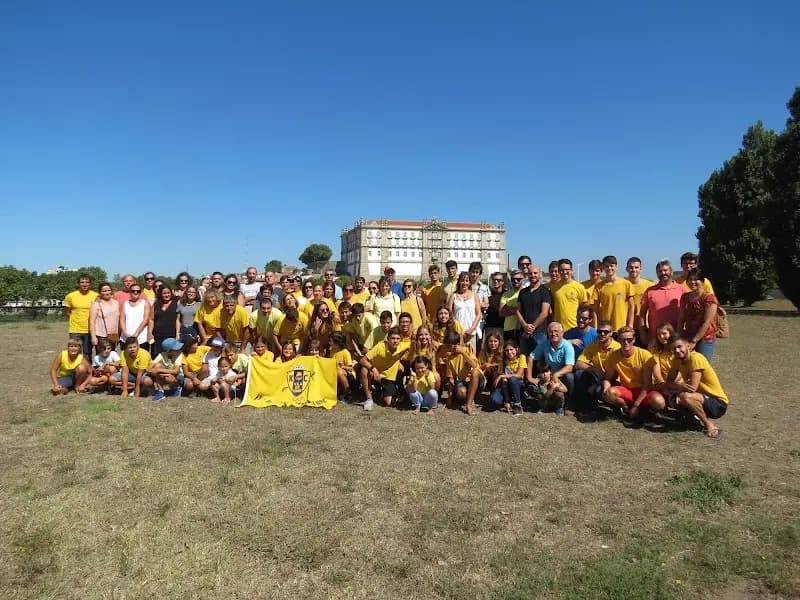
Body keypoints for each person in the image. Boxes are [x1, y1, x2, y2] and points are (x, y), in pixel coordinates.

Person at [665, 336, 729, 439]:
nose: (677, 350)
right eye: (673, 349)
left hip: (718, 403)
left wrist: (678, 388)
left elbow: (692, 388)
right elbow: (668, 382)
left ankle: (709, 425)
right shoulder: (676, 360)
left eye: (679, 346)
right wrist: (678, 388)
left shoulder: (696, 358)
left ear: (688, 346)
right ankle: (691, 420)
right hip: (700, 397)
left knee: (685, 396)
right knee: (672, 396)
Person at [602, 326, 663, 421]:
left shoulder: (645, 355)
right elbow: (607, 378)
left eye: (629, 340)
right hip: (627, 390)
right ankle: (626, 409)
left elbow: (647, 385)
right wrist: (605, 390)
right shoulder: (613, 356)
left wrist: (636, 406)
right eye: (622, 340)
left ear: (634, 340)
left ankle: (644, 410)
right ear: (618, 340)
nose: (626, 343)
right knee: (609, 393)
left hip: (643, 390)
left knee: (659, 402)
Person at [573, 320, 621, 414]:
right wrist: (593, 369)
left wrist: (599, 383)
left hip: (613, 380)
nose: (602, 334)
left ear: (611, 333)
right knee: (579, 374)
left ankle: (615, 407)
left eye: (606, 332)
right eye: (599, 331)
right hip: (599, 377)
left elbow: (615, 373)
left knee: (598, 390)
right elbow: (578, 364)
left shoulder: (617, 348)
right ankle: (585, 406)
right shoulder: (593, 345)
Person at [359, 327, 410, 410]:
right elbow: (362, 360)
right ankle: (369, 399)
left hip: (388, 375)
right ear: (388, 339)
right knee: (364, 369)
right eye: (393, 338)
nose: (395, 341)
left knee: (388, 403)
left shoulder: (403, 346)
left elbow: (416, 343)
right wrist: (374, 369)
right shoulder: (380, 346)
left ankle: (383, 392)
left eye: (398, 338)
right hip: (375, 373)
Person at [531, 322, 575, 416]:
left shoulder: (568, 346)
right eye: (550, 332)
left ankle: (569, 404)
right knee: (542, 392)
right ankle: (545, 406)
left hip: (561, 376)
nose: (553, 334)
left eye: (556, 331)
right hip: (547, 375)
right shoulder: (545, 344)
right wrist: (529, 377)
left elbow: (570, 367)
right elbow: (531, 357)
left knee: (570, 377)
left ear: (562, 333)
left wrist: (556, 375)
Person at [437, 329, 483, 415]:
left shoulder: (467, 350)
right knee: (461, 393)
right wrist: (449, 397)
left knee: (475, 372)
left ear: (456, 345)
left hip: (477, 379)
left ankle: (468, 404)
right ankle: (469, 397)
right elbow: (451, 379)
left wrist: (463, 353)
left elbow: (474, 366)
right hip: (463, 381)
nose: (447, 348)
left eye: (448, 346)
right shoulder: (449, 358)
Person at [639, 259, 684, 346]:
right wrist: (642, 332)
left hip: (675, 337)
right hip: (655, 338)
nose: (663, 273)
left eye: (665, 270)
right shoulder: (650, 291)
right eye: (660, 271)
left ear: (671, 272)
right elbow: (642, 314)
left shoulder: (681, 289)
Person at [678, 269, 719, 361]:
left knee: (701, 365)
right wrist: (679, 336)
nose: (692, 282)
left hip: (704, 338)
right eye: (690, 279)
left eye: (696, 279)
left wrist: (694, 341)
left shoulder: (709, 298)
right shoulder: (685, 297)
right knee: (687, 366)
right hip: (688, 336)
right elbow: (681, 318)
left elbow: (707, 322)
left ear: (702, 281)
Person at [515, 264, 552, 356]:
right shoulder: (523, 292)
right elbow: (518, 311)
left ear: (540, 274)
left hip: (540, 332)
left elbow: (544, 313)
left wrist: (531, 328)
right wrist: (525, 326)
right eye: (530, 273)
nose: (533, 275)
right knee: (524, 359)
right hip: (524, 332)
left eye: (535, 273)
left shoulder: (545, 291)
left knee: (540, 361)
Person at [594, 256, 634, 331]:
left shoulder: (626, 284)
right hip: (605, 329)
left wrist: (630, 325)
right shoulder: (599, 286)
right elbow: (595, 309)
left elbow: (631, 306)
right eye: (606, 266)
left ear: (616, 267)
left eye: (611, 266)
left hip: (622, 328)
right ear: (603, 268)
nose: (609, 268)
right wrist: (596, 327)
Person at [64, 274, 99, 358]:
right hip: (75, 330)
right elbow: (68, 311)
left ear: (90, 284)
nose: (84, 284)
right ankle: (75, 370)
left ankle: (87, 370)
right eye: (82, 282)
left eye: (87, 282)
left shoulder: (96, 296)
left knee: (87, 353)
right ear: (78, 284)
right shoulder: (70, 296)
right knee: (74, 353)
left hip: (90, 330)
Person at [490, 339, 526, 415]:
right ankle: (508, 401)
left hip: (518, 385)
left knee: (513, 379)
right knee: (495, 400)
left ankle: (517, 405)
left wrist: (502, 375)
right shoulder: (502, 361)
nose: (509, 352)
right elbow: (503, 381)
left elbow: (519, 375)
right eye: (507, 350)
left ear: (516, 349)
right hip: (505, 387)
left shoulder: (521, 357)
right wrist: (507, 400)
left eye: (511, 349)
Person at [448, 272, 482, 351]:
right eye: (462, 281)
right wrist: (456, 328)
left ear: (469, 282)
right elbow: (450, 314)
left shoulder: (474, 295)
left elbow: (478, 314)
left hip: (471, 332)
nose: (464, 283)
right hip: (457, 333)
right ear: (459, 282)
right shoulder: (453, 296)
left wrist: (472, 329)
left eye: (467, 281)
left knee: (471, 357)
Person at [552, 259, 589, 330]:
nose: (564, 272)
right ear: (559, 271)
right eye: (561, 270)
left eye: (567, 269)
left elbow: (585, 307)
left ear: (571, 270)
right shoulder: (554, 288)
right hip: (557, 329)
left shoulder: (579, 287)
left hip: (574, 327)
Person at [119, 283, 154, 352]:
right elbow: (122, 319)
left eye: (138, 291)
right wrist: (125, 333)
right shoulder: (125, 303)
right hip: (126, 337)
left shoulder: (145, 303)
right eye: (133, 291)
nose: (135, 292)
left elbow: (145, 320)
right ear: (130, 291)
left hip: (141, 338)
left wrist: (136, 334)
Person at [625, 257, 654, 339]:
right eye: (631, 267)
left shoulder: (649, 285)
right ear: (626, 269)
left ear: (641, 268)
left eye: (636, 267)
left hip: (645, 326)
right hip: (627, 326)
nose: (633, 270)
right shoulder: (623, 284)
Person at [89, 282, 120, 351]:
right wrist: (93, 337)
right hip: (101, 336)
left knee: (112, 357)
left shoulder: (116, 303)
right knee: (102, 358)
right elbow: (92, 322)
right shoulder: (96, 304)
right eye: (104, 291)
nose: (107, 292)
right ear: (100, 292)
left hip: (113, 335)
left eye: (108, 290)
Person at [151, 286, 179, 356]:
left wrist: (177, 333)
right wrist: (149, 333)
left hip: (171, 335)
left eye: (168, 293)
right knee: (157, 357)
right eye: (164, 293)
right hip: (157, 336)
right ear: (160, 294)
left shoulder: (176, 303)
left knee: (170, 357)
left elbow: (177, 320)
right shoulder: (156, 304)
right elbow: (151, 319)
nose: (167, 295)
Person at [329, 332, 355, 402]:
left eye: (331, 341)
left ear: (336, 343)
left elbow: (351, 368)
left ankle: (348, 392)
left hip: (348, 376)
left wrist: (343, 366)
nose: (329, 343)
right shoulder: (331, 351)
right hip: (335, 376)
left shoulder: (345, 352)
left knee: (340, 372)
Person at [500, 270, 524, 341]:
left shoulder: (526, 293)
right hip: (508, 328)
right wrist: (517, 311)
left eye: (518, 279)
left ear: (523, 280)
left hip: (522, 328)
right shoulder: (506, 294)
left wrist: (508, 308)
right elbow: (501, 312)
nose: (516, 281)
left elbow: (524, 310)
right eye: (513, 279)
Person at [483, 272, 506, 342]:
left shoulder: (506, 294)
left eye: (498, 280)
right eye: (494, 280)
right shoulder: (487, 293)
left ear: (502, 282)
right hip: (489, 326)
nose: (496, 281)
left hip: (503, 327)